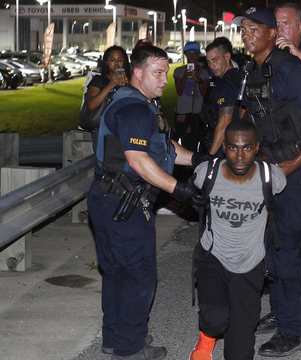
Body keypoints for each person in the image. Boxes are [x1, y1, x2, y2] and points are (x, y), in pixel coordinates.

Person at [88, 45, 211, 360]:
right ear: (137, 73)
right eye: (157, 73)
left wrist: (196, 158)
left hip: (110, 199)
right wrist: (180, 191)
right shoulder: (133, 109)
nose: (164, 80)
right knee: (138, 274)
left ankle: (116, 338)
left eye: (166, 72)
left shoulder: (141, 104)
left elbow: (162, 146)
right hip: (123, 203)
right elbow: (139, 160)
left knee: (117, 273)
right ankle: (130, 348)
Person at [233, 6, 301, 357]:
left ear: (270, 35)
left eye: (255, 28)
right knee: (272, 245)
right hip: (271, 168)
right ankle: (282, 312)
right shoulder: (253, 70)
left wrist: (294, 163)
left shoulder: (290, 69)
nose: (247, 33)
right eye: (243, 28)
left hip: (299, 169)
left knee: (286, 247)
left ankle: (294, 331)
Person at [189, 119, 287, 360]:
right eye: (233, 148)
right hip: (214, 257)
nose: (240, 156)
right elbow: (190, 195)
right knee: (215, 319)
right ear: (224, 147)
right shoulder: (206, 174)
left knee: (240, 351)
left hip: (250, 264)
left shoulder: (272, 178)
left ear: (256, 147)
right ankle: (206, 338)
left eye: (246, 148)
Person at [202, 38, 243, 157]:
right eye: (208, 62)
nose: (211, 66)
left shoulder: (225, 85)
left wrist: (210, 156)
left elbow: (224, 122)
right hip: (238, 142)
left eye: (215, 60)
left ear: (227, 56)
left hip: (225, 147)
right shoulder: (239, 76)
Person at [85, 46, 130, 147]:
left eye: (120, 60)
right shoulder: (99, 80)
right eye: (112, 60)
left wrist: (129, 86)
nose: (117, 64)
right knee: (103, 161)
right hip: (103, 130)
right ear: (106, 62)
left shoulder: (131, 80)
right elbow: (91, 105)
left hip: (126, 128)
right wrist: (111, 85)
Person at [173, 41, 210, 152]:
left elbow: (204, 93)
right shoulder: (179, 71)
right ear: (185, 55)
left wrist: (198, 80)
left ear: (199, 55)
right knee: (183, 141)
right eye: (189, 54)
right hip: (182, 112)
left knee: (197, 141)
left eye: (195, 53)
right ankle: (183, 167)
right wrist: (185, 77)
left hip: (198, 112)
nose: (192, 57)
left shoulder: (204, 72)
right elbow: (179, 92)